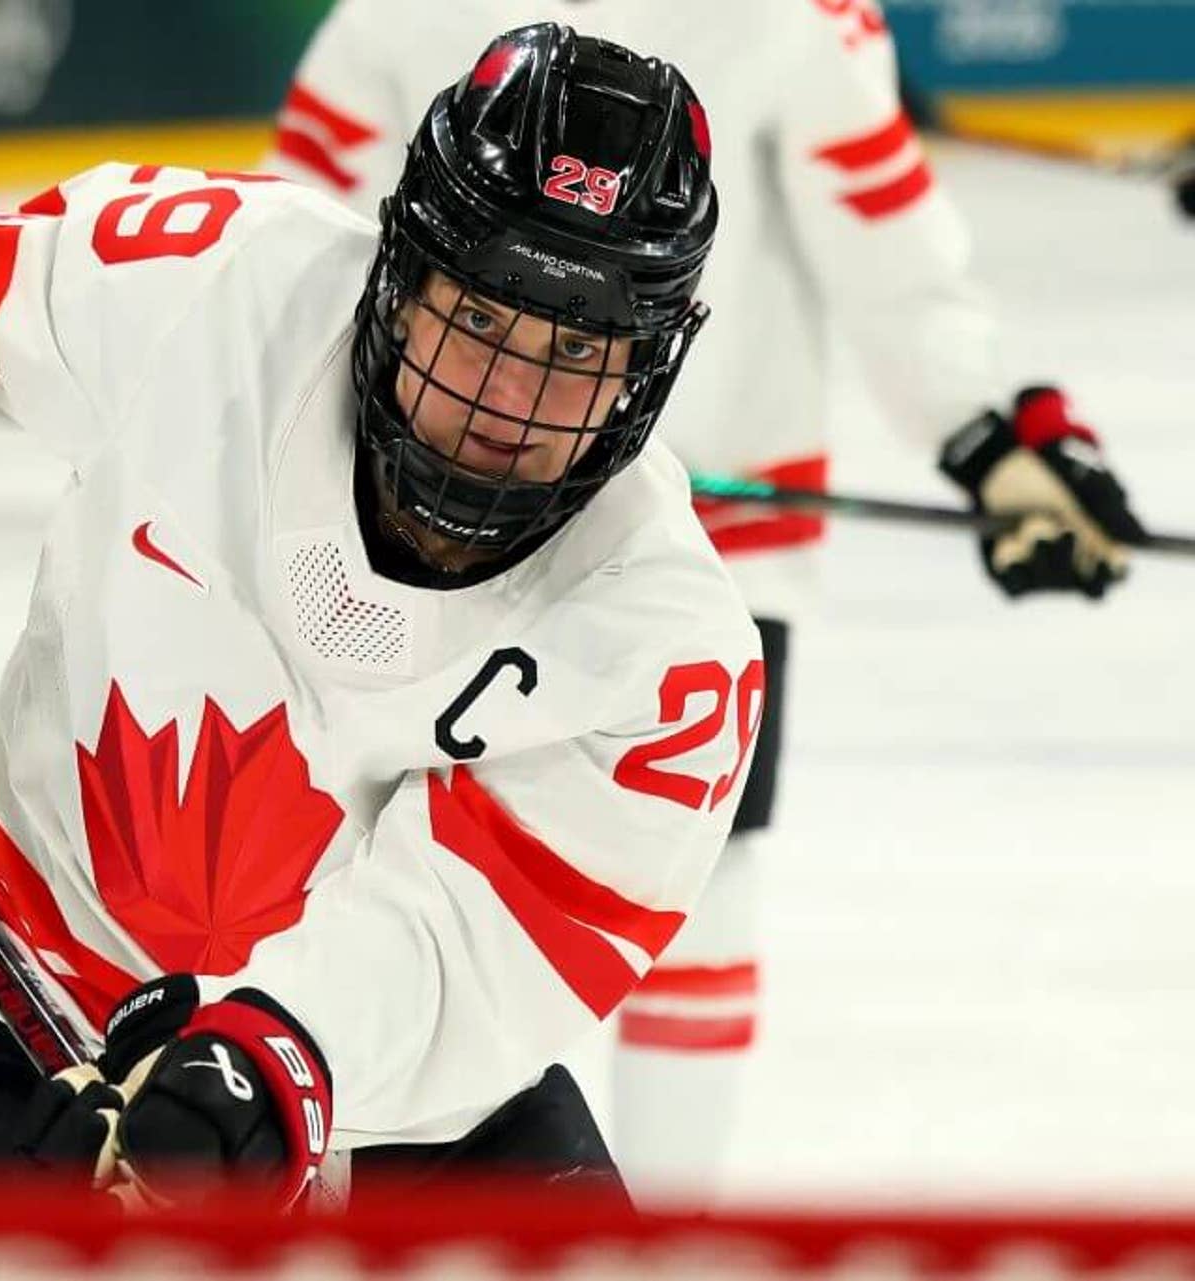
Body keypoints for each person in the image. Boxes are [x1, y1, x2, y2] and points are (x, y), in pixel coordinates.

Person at [0, 25, 762, 1210]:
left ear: (649, 366)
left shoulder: (667, 653)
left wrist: (280, 1054)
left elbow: (477, 952)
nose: (508, 396)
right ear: (405, 270)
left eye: (576, 347)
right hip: (4, 1011)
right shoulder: (228, 283)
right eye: (485, 318)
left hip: (391, 1111)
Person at [264, 0, 1148, 1202]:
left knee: (686, 918)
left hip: (690, 571)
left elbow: (891, 261)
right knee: (358, 904)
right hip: (413, 519)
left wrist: (995, 439)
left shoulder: (792, 19)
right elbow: (275, 247)